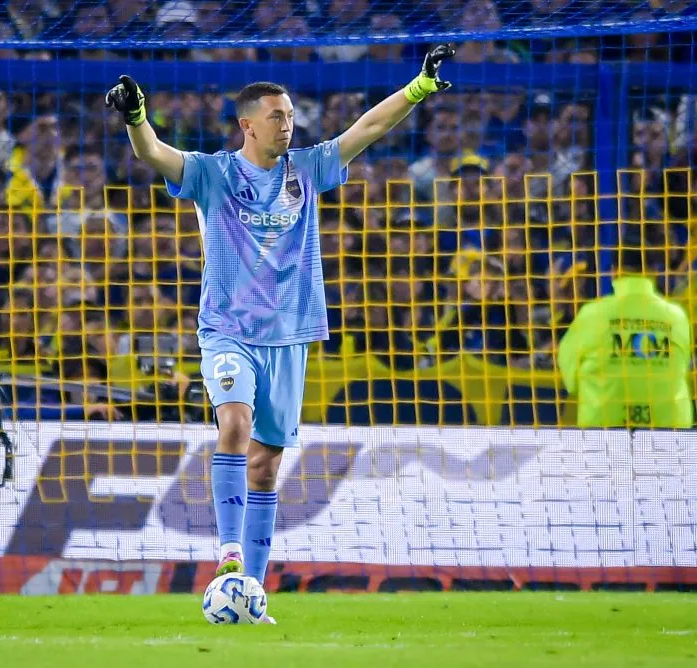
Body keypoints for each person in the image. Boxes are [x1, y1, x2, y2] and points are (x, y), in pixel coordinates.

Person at [105, 44, 455, 622]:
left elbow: (368, 127)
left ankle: (252, 593)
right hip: (228, 331)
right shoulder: (213, 174)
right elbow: (155, 155)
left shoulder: (307, 169)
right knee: (234, 422)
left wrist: (417, 89)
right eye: (277, 116)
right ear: (248, 124)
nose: (287, 124)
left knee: (268, 465)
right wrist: (137, 116)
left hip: (290, 337)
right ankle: (229, 550)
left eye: (290, 116)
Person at [557, 239, 694, 429]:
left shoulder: (593, 313)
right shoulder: (676, 316)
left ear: (613, 271)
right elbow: (682, 364)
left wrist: (594, 388)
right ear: (653, 270)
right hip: (669, 424)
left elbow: (569, 368)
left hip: (604, 422)